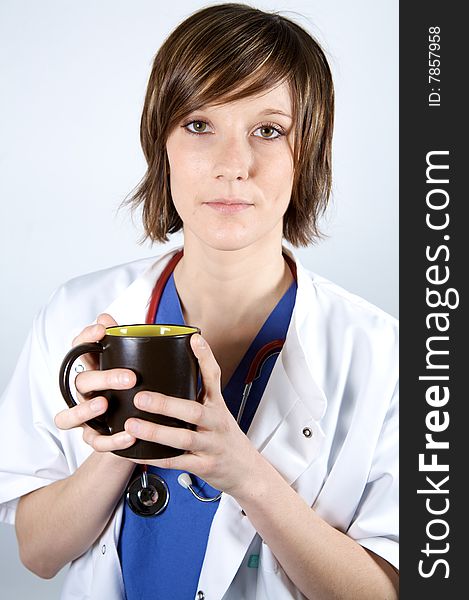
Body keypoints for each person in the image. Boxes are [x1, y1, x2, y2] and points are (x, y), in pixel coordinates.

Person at [0, 3, 398, 599]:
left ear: (307, 151)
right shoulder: (77, 312)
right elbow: (37, 554)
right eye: (198, 125)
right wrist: (118, 445)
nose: (232, 166)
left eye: (269, 130)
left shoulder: (384, 352)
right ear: (160, 144)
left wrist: (246, 475)